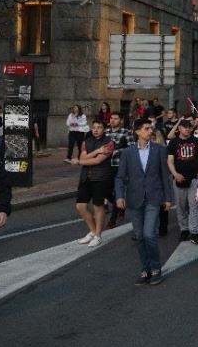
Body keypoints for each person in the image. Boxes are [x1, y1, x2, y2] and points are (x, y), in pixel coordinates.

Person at [115, 118, 174, 285]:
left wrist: (168, 198)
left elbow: (165, 176)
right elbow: (120, 177)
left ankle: (156, 268)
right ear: (137, 131)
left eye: (151, 128)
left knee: (149, 234)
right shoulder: (127, 153)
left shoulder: (159, 150)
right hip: (134, 199)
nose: (151, 131)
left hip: (154, 199)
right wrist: (119, 196)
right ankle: (145, 269)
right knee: (140, 236)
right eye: (147, 128)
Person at [73, 119, 115, 248]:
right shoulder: (86, 142)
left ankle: (98, 235)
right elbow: (84, 157)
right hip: (86, 177)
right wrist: (96, 151)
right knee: (80, 206)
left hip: (101, 178)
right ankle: (92, 231)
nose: (96, 130)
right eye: (94, 127)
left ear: (104, 129)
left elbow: (98, 161)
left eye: (99, 127)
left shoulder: (109, 142)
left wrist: (80, 162)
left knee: (98, 206)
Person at [167, 119, 198, 243]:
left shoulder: (196, 141)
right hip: (178, 179)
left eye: (189, 127)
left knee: (194, 205)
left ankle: (194, 232)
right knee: (181, 206)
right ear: (179, 129)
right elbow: (170, 161)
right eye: (184, 127)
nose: (187, 129)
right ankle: (184, 230)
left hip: (194, 178)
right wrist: (175, 174)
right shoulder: (173, 142)